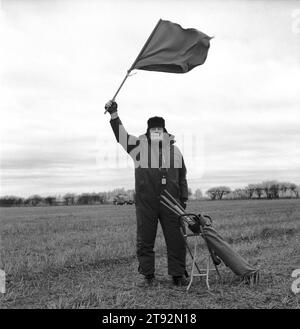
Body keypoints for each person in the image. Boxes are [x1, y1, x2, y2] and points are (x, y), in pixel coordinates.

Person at [105, 100, 189, 286]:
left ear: (165, 131)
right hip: (146, 203)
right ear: (148, 132)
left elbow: (182, 176)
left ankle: (177, 274)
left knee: (177, 240)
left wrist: (183, 199)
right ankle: (148, 276)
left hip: (172, 204)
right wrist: (114, 115)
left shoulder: (175, 151)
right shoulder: (138, 148)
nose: (157, 132)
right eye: (154, 130)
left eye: (160, 129)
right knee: (145, 240)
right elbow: (121, 136)